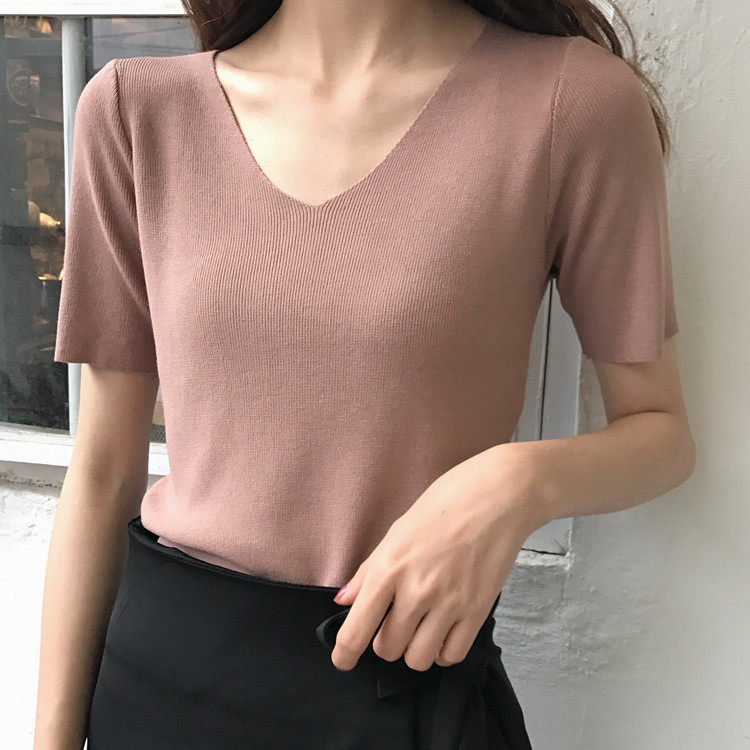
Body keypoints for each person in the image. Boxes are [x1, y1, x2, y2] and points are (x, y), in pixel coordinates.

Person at [33, 1, 696, 748]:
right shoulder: (136, 109)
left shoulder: (574, 103)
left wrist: (515, 484)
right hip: (157, 688)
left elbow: (660, 432)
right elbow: (101, 471)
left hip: (399, 685)